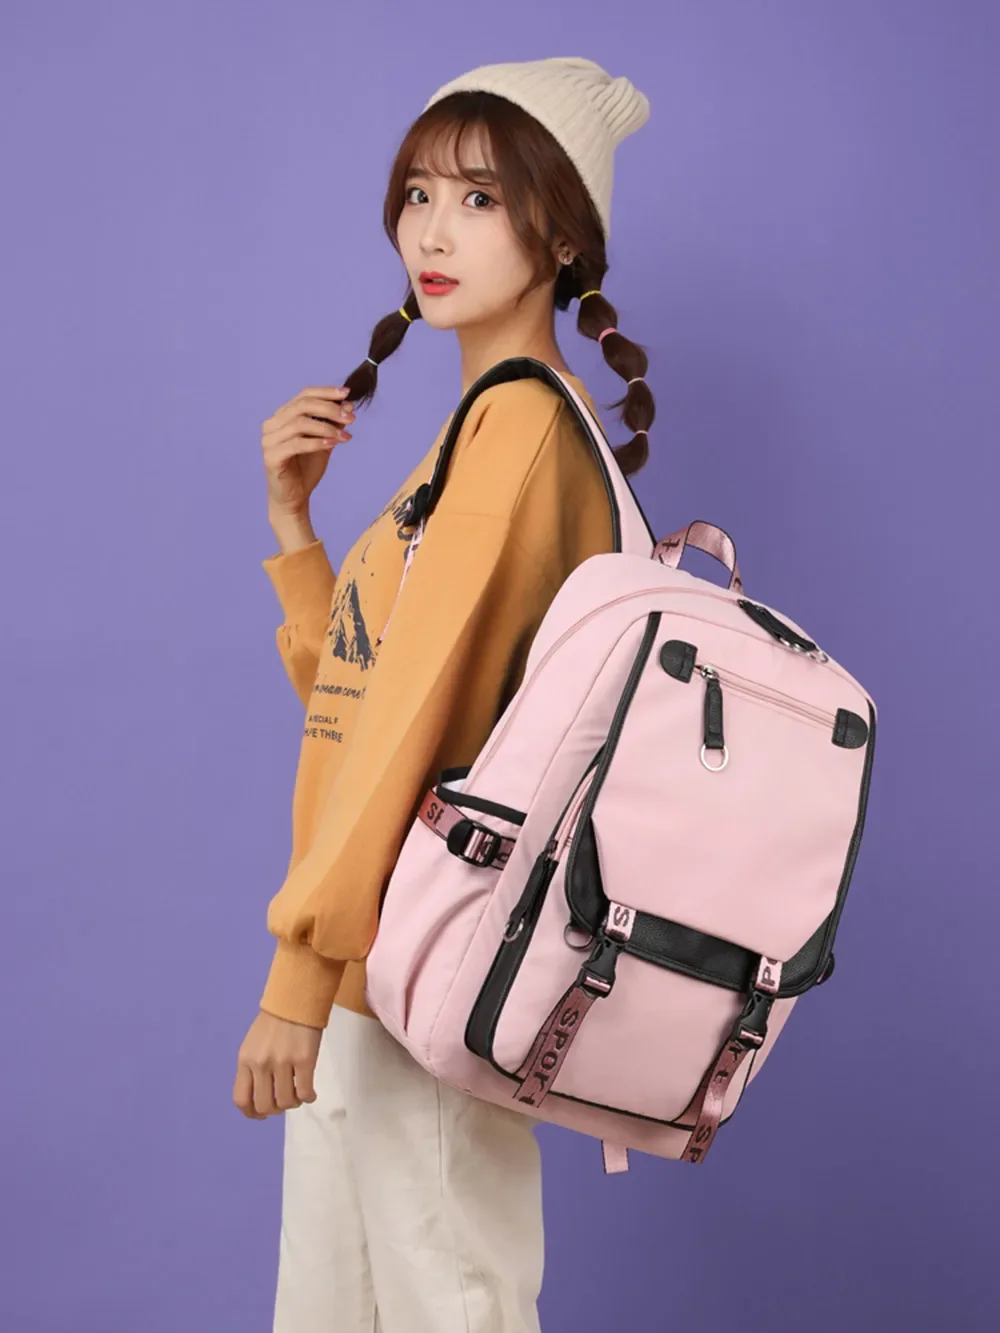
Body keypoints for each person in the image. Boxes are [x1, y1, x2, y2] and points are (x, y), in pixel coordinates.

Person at [233, 56, 654, 1333]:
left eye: (479, 198)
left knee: (443, 1306)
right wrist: (294, 531)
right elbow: (361, 697)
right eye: (418, 193)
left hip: (416, 969)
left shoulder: (518, 430)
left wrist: (297, 976)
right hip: (384, 968)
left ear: (561, 236)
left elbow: (410, 730)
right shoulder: (475, 433)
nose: (431, 229)